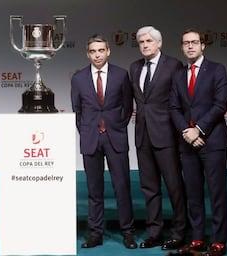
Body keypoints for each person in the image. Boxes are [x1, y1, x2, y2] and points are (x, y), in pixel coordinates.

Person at [71, 34, 137, 249]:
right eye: (93, 51)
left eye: (101, 50)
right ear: (87, 54)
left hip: (115, 138)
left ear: (108, 51)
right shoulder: (78, 77)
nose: (97, 55)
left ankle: (128, 232)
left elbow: (127, 107)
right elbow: (77, 111)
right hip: (90, 140)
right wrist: (89, 131)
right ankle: (95, 233)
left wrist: (115, 127)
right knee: (94, 189)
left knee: (122, 187)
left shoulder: (121, 75)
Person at [169, 28, 227, 256]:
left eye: (194, 42)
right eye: (186, 43)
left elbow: (220, 104)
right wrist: (187, 132)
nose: (190, 46)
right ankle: (197, 239)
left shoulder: (217, 70)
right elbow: (174, 107)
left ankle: (218, 240)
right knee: (193, 193)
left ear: (203, 45)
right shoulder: (178, 75)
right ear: (182, 47)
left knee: (217, 192)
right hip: (187, 142)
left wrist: (199, 130)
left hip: (213, 141)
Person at [129, 26, 187, 250]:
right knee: (149, 188)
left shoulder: (173, 65)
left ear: (159, 43)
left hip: (167, 136)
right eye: (141, 41)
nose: (145, 45)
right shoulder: (134, 67)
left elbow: (180, 101)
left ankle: (179, 232)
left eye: (149, 41)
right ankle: (154, 232)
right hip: (142, 137)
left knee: (174, 186)